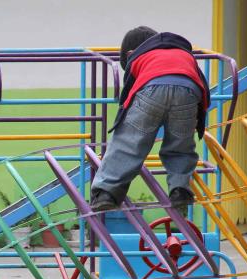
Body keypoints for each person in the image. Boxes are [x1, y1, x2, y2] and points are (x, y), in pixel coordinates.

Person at [90, 27, 211, 216]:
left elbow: (127, 96)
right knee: (181, 146)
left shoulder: (139, 57)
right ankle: (180, 191)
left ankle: (106, 193)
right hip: (188, 91)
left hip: (151, 88)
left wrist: (122, 121)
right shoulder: (184, 54)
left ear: (130, 54)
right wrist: (199, 121)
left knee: (128, 143)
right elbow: (202, 84)